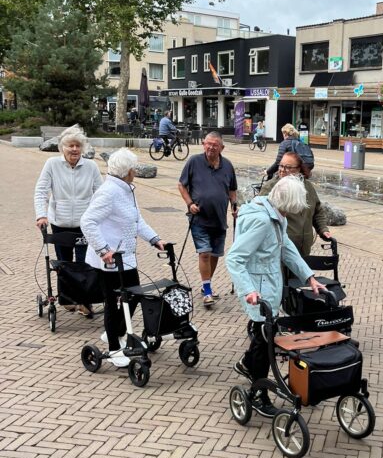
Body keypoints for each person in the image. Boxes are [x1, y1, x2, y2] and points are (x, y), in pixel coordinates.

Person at [226, 176, 325, 416]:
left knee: (262, 336)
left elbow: (286, 248)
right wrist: (249, 290)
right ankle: (258, 393)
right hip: (259, 292)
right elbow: (234, 258)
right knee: (265, 341)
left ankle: (247, 364)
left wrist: (309, 277)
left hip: (268, 287)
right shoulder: (262, 221)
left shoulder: (275, 215)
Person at [80, 148, 165, 368]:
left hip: (126, 258)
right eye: (133, 168)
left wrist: (154, 239)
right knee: (112, 302)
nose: (135, 171)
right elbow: (87, 221)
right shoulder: (108, 192)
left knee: (134, 295)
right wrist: (103, 250)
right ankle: (113, 348)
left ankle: (114, 332)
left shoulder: (126, 190)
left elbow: (137, 220)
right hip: (109, 260)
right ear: (127, 171)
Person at [34, 125, 103, 316]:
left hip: (84, 224)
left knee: (84, 264)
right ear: (62, 148)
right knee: (64, 264)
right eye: (70, 146)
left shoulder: (91, 166)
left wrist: (100, 216)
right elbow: (41, 191)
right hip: (60, 223)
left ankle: (84, 300)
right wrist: (41, 215)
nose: (74, 149)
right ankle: (67, 298)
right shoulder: (52, 164)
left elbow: (101, 194)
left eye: (77, 146)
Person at [178, 132, 238, 305]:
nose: (211, 147)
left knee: (215, 254)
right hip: (199, 218)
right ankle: (208, 291)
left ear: (222, 148)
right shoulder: (194, 161)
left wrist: (234, 205)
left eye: (215, 145)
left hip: (219, 219)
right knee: (204, 253)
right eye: (208, 144)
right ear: (203, 144)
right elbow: (181, 185)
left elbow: (232, 189)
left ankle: (206, 285)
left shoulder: (228, 165)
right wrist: (189, 203)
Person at [259, 151, 330, 255]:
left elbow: (317, 211)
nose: (282, 170)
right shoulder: (271, 187)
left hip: (304, 247)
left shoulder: (308, 186)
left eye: (288, 167)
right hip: (281, 247)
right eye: (281, 166)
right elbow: (259, 214)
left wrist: (323, 229)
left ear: (299, 169)